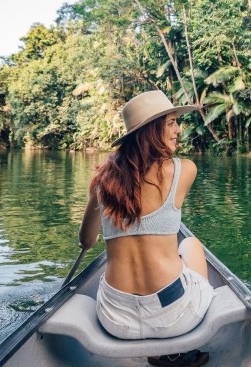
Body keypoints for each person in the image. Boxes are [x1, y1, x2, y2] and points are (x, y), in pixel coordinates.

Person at [78, 90, 213, 367]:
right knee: (190, 245)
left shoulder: (102, 181)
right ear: (152, 130)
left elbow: (87, 240)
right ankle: (177, 353)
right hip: (176, 317)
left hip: (115, 319)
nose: (179, 130)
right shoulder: (184, 169)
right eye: (171, 123)